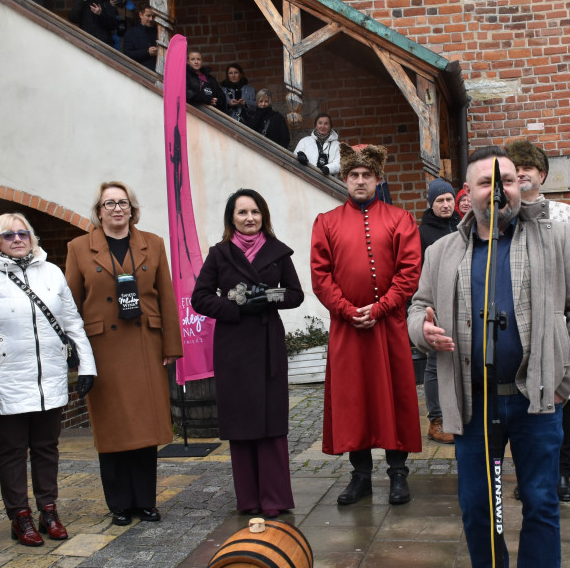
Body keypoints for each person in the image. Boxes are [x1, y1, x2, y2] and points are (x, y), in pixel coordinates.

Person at [408, 146, 570, 568]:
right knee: (478, 506)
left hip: (535, 400)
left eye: (507, 180)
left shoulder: (552, 237)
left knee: (539, 502)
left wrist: (564, 381)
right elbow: (418, 307)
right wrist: (422, 332)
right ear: (466, 196)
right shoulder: (442, 252)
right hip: (473, 403)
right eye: (486, 183)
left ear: (522, 185)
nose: (499, 190)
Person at [0, 214, 95, 546]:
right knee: (12, 450)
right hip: (6, 381)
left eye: (23, 233)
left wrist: (87, 366)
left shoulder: (51, 273)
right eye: (9, 235)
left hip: (48, 378)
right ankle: (19, 515)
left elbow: (73, 323)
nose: (18, 239)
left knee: (47, 447)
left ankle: (48, 509)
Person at [310, 144, 422, 505]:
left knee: (394, 396)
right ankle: (360, 476)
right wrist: (346, 310)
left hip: (388, 326)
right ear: (345, 179)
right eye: (354, 175)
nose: (360, 181)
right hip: (348, 329)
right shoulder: (326, 222)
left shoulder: (400, 219)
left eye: (367, 175)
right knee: (353, 399)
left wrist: (379, 309)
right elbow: (320, 275)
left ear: (378, 179)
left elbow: (409, 273)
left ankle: (398, 475)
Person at [66, 181, 183, 524]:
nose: (117, 209)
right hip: (102, 348)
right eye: (109, 204)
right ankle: (119, 504)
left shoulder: (154, 244)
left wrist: (171, 346)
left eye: (123, 203)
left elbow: (166, 297)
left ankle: (145, 501)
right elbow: (70, 304)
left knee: (145, 425)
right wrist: (74, 352)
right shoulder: (78, 248)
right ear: (98, 211)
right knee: (112, 425)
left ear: (132, 209)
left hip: (145, 342)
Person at [191, 189, 304, 517]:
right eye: (242, 212)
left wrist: (268, 296)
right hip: (233, 349)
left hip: (268, 347)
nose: (249, 218)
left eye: (255, 212)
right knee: (241, 423)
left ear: (263, 216)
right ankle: (250, 500)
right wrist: (234, 305)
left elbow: (295, 294)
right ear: (232, 218)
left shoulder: (278, 252)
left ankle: (275, 498)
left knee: (270, 423)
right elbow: (200, 298)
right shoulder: (220, 254)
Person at [506, 138, 570, 503]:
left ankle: (561, 473)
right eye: (516, 167)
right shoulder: (502, 215)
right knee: (519, 411)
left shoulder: (562, 215)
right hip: (517, 330)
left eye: (530, 167)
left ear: (542, 174)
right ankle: (527, 475)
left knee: (560, 407)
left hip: (552, 328)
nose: (523, 172)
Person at [417, 178, 458, 444]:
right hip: (436, 304)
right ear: (431, 204)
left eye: (449, 200)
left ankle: (459, 414)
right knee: (433, 364)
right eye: (440, 200)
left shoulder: (463, 226)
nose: (445, 205)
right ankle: (437, 419)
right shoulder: (422, 233)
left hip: (462, 303)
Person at [122, 5, 157, 71]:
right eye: (148, 16)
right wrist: (147, 52)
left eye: (153, 16)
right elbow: (127, 54)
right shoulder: (131, 33)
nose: (151, 19)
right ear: (141, 15)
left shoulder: (159, 32)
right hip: (139, 72)